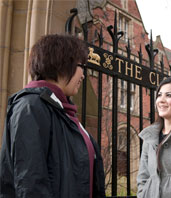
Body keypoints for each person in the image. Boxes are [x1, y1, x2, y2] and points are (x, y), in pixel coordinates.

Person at [0, 34, 105, 197]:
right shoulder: (31, 107)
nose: (83, 75)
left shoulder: (63, 111)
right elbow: (30, 183)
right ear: (63, 63)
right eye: (81, 66)